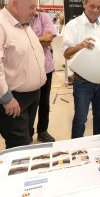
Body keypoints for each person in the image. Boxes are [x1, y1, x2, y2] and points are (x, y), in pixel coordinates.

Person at [62, 0, 100, 138]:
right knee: (80, 119)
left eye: (99, 7)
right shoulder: (72, 26)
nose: (96, 10)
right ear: (84, 5)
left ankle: (98, 147)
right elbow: (66, 54)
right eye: (92, 6)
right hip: (82, 81)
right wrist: (80, 45)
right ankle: (76, 149)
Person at [0, 0, 46, 149]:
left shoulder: (23, 24)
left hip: (32, 96)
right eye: (32, 7)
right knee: (18, 146)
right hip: (13, 99)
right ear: (15, 4)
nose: (35, 12)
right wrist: (6, 98)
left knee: (26, 139)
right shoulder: (2, 25)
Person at [30, 10, 57, 142]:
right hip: (26, 69)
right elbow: (43, 39)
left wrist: (29, 41)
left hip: (45, 67)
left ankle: (42, 131)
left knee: (44, 102)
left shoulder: (43, 17)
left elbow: (48, 40)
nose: (33, 8)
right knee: (28, 102)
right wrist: (40, 39)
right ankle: (27, 132)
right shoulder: (18, 19)